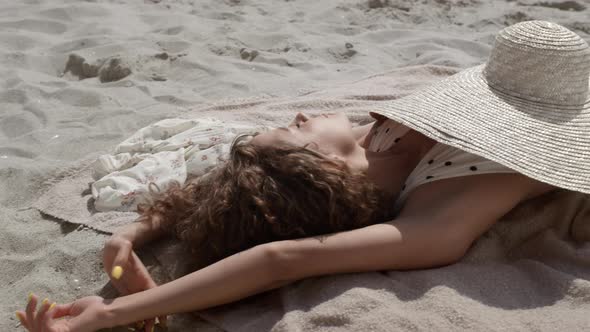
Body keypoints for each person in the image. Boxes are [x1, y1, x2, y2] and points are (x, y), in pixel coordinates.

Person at [17, 20, 590, 332]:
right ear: (323, 168)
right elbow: (283, 258)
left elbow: (211, 192)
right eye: (296, 132)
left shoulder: (376, 139)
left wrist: (128, 238)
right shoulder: (440, 216)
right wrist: (112, 315)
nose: (296, 115)